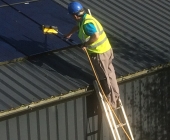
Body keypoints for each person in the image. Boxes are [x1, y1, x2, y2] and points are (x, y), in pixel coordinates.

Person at [65, 1, 119, 109]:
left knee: (105, 78)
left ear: (75, 15)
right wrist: (69, 33)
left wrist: (86, 44)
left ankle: (111, 102)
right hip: (107, 50)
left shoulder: (87, 23)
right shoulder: (85, 18)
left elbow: (95, 36)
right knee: (110, 75)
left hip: (100, 54)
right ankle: (116, 96)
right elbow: (78, 27)